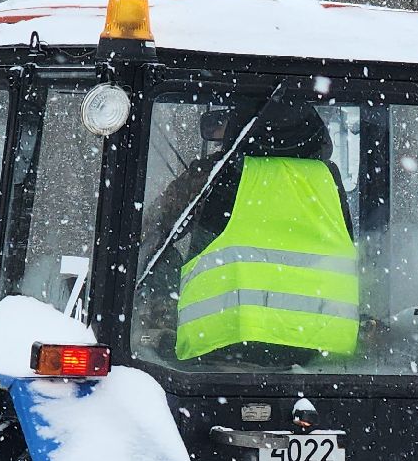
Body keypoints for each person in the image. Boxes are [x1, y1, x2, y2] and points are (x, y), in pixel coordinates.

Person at [139, 100, 359, 368]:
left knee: (161, 258)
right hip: (320, 351)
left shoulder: (214, 173)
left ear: (240, 130)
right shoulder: (328, 181)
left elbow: (152, 231)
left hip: (219, 343)